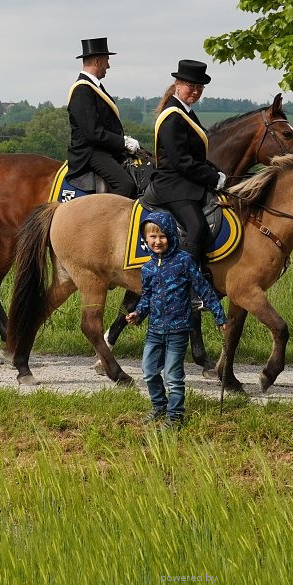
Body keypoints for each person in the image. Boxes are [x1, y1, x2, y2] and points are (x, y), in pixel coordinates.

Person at [125, 211, 227, 428]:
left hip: (178, 330)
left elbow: (204, 289)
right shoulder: (148, 268)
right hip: (154, 331)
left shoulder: (184, 261)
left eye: (162, 236)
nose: (157, 241)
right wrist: (138, 313)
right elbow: (147, 297)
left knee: (173, 375)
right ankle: (159, 407)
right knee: (149, 372)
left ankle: (175, 417)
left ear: (171, 235)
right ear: (145, 239)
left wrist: (219, 316)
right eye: (152, 237)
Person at [146, 59, 227, 271]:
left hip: (185, 181)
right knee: (198, 227)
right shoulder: (172, 116)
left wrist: (216, 172)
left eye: (200, 87)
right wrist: (211, 178)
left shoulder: (186, 111)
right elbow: (182, 161)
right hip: (173, 185)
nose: (196, 91)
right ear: (178, 84)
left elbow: (195, 157)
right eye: (191, 86)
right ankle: (185, 284)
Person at [66, 37, 139, 198]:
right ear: (98, 61)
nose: (109, 66)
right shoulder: (82, 90)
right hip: (91, 153)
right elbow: (92, 133)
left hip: (103, 148)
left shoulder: (95, 87)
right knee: (126, 185)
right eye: (107, 60)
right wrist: (123, 143)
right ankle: (105, 222)